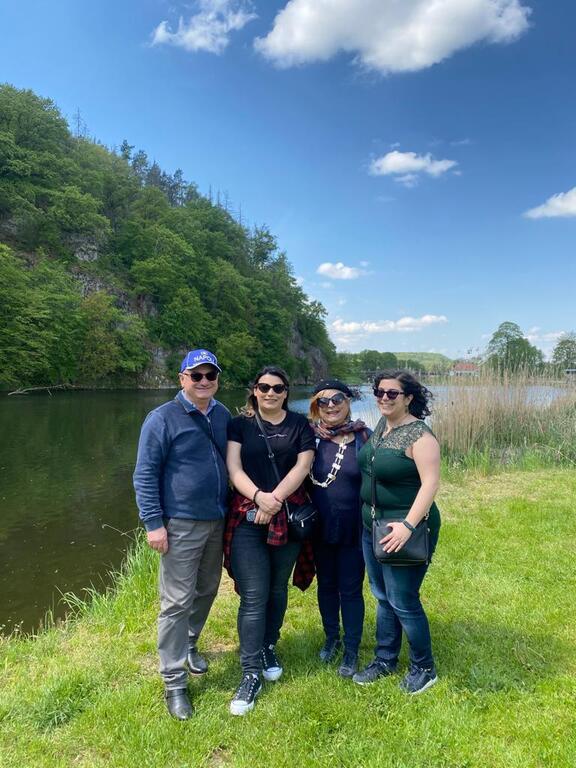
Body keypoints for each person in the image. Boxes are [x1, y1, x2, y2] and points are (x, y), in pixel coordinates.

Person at [133, 349, 230, 719]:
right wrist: (153, 523)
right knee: (175, 602)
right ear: (182, 379)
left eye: (210, 375)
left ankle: (190, 643)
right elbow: (144, 475)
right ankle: (173, 682)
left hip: (217, 521)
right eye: (196, 375)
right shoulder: (161, 418)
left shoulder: (222, 415)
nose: (204, 382)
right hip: (180, 524)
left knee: (206, 589)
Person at [225, 366, 315, 715]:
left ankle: (269, 645)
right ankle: (250, 673)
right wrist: (260, 497)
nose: (270, 393)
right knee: (253, 595)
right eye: (264, 387)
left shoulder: (299, 425)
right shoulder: (239, 425)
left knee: (277, 589)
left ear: (286, 392)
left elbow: (303, 466)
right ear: (255, 390)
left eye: (278, 388)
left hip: (288, 516)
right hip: (248, 515)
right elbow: (234, 469)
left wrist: (274, 499)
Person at [354, 370, 441, 695]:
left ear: (408, 397)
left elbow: (430, 484)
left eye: (392, 393)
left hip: (404, 529)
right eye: (379, 391)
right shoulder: (383, 427)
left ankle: (424, 667)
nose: (384, 398)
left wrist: (408, 526)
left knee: (403, 600)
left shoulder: (420, 437)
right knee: (381, 596)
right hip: (371, 526)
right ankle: (385, 659)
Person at [308, 379, 371, 678]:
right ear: (316, 406)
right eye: (323, 401)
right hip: (319, 529)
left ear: (348, 402)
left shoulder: (364, 438)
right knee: (326, 586)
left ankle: (351, 649)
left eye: (337, 399)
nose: (330, 405)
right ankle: (331, 638)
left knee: (351, 590)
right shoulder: (309, 438)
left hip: (353, 529)